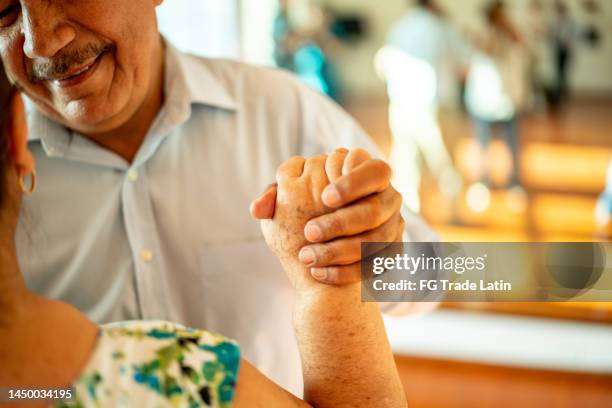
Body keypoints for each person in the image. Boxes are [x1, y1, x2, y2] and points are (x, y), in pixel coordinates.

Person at [0, 0, 434, 396]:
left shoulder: (286, 109)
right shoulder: (4, 183)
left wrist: (380, 253)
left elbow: (444, 274)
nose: (41, 43)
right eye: (4, 13)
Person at [381, 0, 470, 212]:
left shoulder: (399, 27)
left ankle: (412, 214)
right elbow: (463, 65)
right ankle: (454, 209)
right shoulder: (440, 27)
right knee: (443, 160)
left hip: (401, 104)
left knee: (407, 164)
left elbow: (385, 62)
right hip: (433, 105)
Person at [465, 0, 530, 213]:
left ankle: (514, 183)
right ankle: (483, 182)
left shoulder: (512, 30)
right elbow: (484, 49)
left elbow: (520, 43)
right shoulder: (479, 29)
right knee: (482, 145)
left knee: (512, 145)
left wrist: (506, 26)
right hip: (483, 100)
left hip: (508, 101)